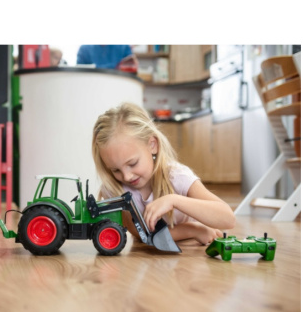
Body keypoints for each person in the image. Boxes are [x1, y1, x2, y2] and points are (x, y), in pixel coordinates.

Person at [91, 102, 236, 245]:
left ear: (152, 145)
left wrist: (173, 200)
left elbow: (228, 219)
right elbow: (142, 234)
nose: (126, 176)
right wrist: (192, 230)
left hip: (193, 249)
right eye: (115, 170)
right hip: (160, 252)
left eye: (133, 163)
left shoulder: (177, 176)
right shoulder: (115, 189)